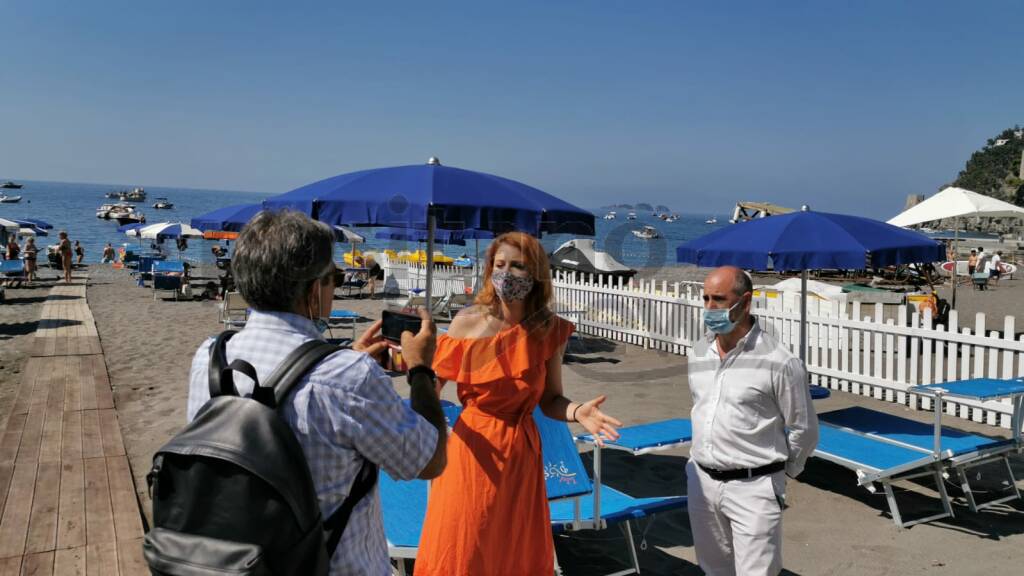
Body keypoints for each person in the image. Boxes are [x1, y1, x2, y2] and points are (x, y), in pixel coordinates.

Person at [185, 210, 447, 574]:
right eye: (333, 277)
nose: (335, 286)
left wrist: (341, 360)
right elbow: (430, 461)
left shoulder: (210, 356)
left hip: (237, 562)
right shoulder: (349, 377)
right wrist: (420, 369)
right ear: (313, 291)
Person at [414, 232, 622, 576]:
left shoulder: (548, 330)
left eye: (518, 266)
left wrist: (575, 411)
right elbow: (429, 389)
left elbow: (551, 398)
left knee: (513, 549)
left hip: (521, 454)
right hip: (472, 449)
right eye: (499, 265)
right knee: (464, 542)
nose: (506, 274)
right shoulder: (466, 323)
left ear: (536, 274)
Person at [686, 266, 819, 576]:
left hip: (754, 486)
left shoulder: (779, 362)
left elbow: (804, 428)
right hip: (702, 481)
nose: (709, 308)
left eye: (718, 299)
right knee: (714, 569)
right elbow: (702, 407)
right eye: (705, 298)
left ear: (745, 302)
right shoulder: (698, 352)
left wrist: (781, 473)